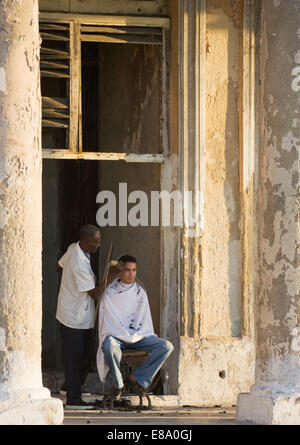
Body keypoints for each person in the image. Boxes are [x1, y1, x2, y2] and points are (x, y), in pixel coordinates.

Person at [55, 224, 121, 409]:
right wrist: (111, 276)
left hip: (75, 311)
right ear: (85, 242)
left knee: (87, 351)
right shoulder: (77, 262)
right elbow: (94, 294)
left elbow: (57, 267)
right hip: (73, 316)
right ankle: (74, 399)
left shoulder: (73, 248)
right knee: (74, 356)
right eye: (95, 242)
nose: (98, 245)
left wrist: (68, 284)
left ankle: (70, 387)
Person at [96, 255, 174, 401]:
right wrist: (122, 334)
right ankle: (118, 383)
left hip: (139, 336)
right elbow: (108, 319)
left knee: (166, 346)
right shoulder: (109, 292)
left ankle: (138, 378)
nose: (131, 274)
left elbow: (143, 320)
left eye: (134, 270)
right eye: (127, 270)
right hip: (117, 336)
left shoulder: (140, 293)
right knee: (108, 345)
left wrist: (135, 336)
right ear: (120, 271)